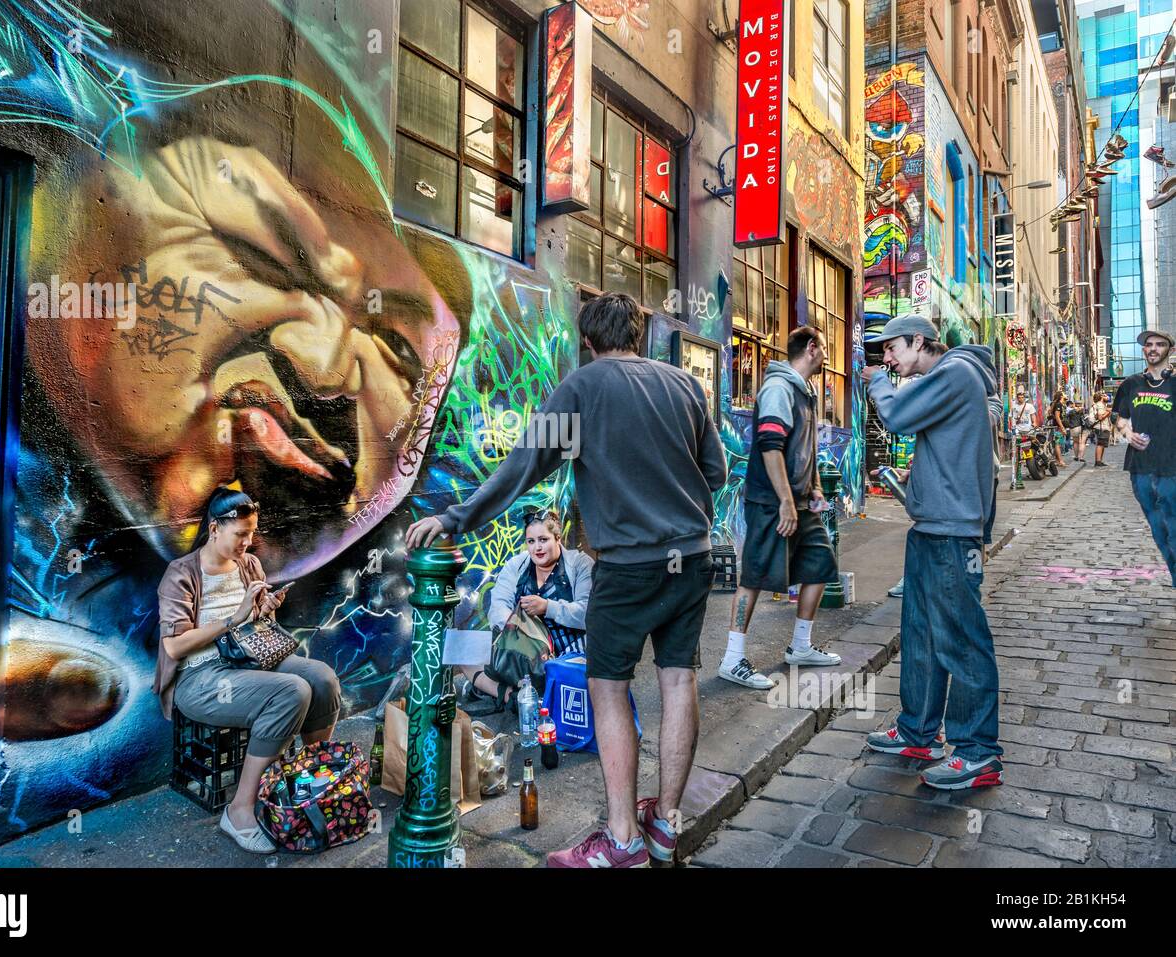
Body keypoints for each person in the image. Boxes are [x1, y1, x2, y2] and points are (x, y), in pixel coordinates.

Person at [407, 292, 726, 868]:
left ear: (587, 341)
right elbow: (716, 472)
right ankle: (665, 826)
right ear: (639, 333)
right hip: (692, 558)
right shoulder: (685, 385)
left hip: (627, 567)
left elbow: (522, 467)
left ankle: (623, 837)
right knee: (680, 681)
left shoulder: (581, 389)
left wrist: (454, 518)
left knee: (608, 687)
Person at [155, 487, 342, 854]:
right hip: (202, 677)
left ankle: (310, 782)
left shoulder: (249, 565)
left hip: (251, 656)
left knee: (322, 679)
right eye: (240, 534)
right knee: (292, 691)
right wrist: (232, 618)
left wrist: (264, 609)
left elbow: (256, 623)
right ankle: (239, 809)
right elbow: (173, 646)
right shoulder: (180, 574)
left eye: (251, 532)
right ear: (214, 529)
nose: (248, 541)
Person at [860, 316, 1004, 790]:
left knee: (962, 640)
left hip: (951, 534)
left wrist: (879, 384)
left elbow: (899, 417)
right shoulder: (950, 378)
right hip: (932, 527)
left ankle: (977, 751)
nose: (887, 359)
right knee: (921, 634)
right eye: (882, 355)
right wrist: (918, 472)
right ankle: (917, 732)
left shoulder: (955, 372)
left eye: (892, 349)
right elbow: (944, 440)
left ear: (919, 341)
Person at [720, 327, 841, 691]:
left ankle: (800, 647)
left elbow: (807, 447)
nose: (826, 355)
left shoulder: (807, 391)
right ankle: (732, 658)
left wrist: (815, 486)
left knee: (821, 564)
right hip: (771, 503)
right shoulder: (778, 389)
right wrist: (787, 502)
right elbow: (770, 446)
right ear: (811, 348)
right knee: (755, 576)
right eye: (824, 348)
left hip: (802, 502)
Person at [461, 509, 594, 708]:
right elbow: (497, 607)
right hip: (525, 654)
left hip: (567, 656)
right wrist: (518, 632)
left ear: (558, 538)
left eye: (543, 539)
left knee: (582, 673)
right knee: (463, 651)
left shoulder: (580, 564)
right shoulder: (517, 565)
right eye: (531, 541)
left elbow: (588, 613)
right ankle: (511, 697)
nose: (537, 548)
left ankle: (520, 695)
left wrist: (548, 607)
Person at [1112, 330, 1176, 585]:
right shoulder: (1131, 384)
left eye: (1160, 345)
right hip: (1140, 469)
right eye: (1149, 345)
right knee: (1160, 533)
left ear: (1169, 351)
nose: (1153, 348)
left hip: (1171, 468)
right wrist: (1128, 433)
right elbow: (1121, 419)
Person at [1089, 391, 1113, 466]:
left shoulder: (1101, 405)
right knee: (1100, 444)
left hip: (1102, 426)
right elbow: (1100, 417)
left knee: (1102, 444)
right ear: (1101, 397)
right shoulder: (1100, 405)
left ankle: (1099, 461)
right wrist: (1108, 412)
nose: (1107, 397)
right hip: (1101, 426)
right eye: (1105, 396)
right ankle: (1098, 461)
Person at [1048, 391, 1068, 468]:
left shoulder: (1059, 404)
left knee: (1058, 443)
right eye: (1064, 394)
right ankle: (1060, 461)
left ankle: (1057, 460)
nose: (1065, 395)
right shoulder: (1058, 404)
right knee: (1058, 444)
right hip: (1058, 427)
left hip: (1058, 427)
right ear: (1061, 396)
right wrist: (1062, 427)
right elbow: (1057, 416)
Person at [1066, 398, 1087, 462]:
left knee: (1075, 442)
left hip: (1073, 428)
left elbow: (1067, 417)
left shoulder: (1071, 411)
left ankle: (1076, 456)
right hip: (1080, 427)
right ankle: (1081, 457)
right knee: (1082, 442)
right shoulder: (1082, 410)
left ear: (1075, 404)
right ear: (1080, 404)